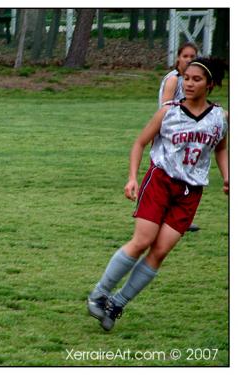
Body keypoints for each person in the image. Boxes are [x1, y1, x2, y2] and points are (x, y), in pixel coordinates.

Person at [87, 57, 228, 332]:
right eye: (186, 77)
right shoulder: (169, 112)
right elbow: (139, 142)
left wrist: (227, 176)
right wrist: (131, 178)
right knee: (142, 241)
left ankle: (117, 304)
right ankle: (98, 295)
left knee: (160, 251)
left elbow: (221, 148)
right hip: (161, 181)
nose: (188, 83)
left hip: (191, 192)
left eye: (196, 79)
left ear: (210, 85)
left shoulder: (219, 118)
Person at [159, 42, 200, 232]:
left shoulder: (189, 80)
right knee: (169, 175)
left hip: (185, 135)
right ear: (178, 57)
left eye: (193, 56)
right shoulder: (174, 79)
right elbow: (166, 107)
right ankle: (162, 215)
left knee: (183, 175)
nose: (189, 60)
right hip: (170, 134)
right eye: (185, 56)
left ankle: (178, 216)